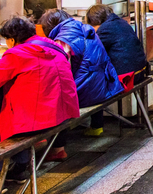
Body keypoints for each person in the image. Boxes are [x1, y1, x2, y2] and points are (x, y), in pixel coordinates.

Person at [0, 17, 80, 194]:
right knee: (19, 120)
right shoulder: (52, 46)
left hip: (40, 120)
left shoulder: (17, 54)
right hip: (61, 113)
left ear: (12, 40)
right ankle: (19, 171)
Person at [39, 10, 124, 138]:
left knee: (52, 97)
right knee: (90, 76)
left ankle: (57, 146)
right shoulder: (83, 28)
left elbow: (58, 69)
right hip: (102, 87)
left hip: (88, 92)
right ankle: (96, 126)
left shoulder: (64, 39)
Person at [86, 4, 149, 83]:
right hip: (140, 70)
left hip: (127, 77)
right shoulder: (121, 22)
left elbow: (92, 53)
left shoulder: (105, 29)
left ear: (95, 21)